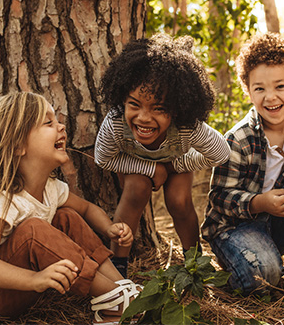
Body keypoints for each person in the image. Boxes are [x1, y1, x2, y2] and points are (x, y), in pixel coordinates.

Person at [0, 92, 141, 324]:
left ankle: (121, 288)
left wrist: (109, 229)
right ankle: (115, 300)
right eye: (48, 123)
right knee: (34, 229)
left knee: (67, 217)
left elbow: (86, 209)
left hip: (21, 290)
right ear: (17, 145)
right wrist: (34, 279)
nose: (62, 127)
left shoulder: (52, 189)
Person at [201, 32, 284, 304]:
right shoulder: (238, 138)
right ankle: (244, 264)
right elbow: (219, 197)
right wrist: (260, 203)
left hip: (282, 225)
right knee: (264, 276)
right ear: (248, 91)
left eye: (280, 86)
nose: (270, 97)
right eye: (259, 88)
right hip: (235, 229)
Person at [94, 33, 231, 277]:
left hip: (176, 162)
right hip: (135, 165)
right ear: (122, 99)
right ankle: (117, 270)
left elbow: (220, 153)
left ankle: (194, 264)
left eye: (159, 109)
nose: (144, 117)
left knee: (179, 201)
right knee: (136, 188)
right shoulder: (115, 122)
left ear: (177, 110)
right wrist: (150, 169)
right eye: (134, 104)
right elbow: (103, 158)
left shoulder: (188, 127)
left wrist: (177, 164)